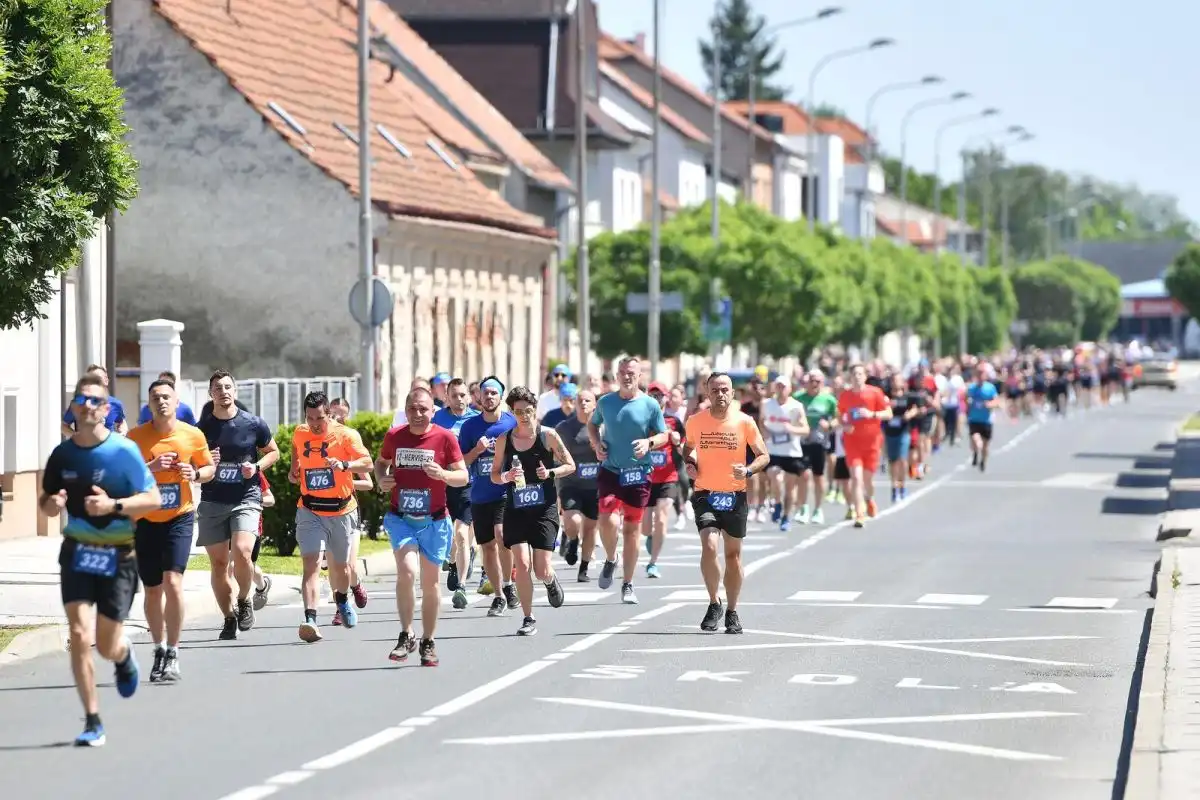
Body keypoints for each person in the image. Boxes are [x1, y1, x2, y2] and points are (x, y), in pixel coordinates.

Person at [41, 373, 162, 746]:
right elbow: (46, 503)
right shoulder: (62, 455)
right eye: (82, 400)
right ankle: (93, 720)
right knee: (79, 634)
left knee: (107, 644)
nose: (88, 406)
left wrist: (114, 506)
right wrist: (53, 504)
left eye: (95, 401)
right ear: (74, 408)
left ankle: (123, 656)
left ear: (106, 409)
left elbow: (154, 499)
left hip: (118, 557)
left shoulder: (123, 452)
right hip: (77, 552)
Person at [127, 379, 215, 683]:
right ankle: (159, 648)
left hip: (180, 516)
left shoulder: (192, 435)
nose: (161, 401)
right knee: (152, 589)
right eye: (156, 397)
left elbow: (209, 469)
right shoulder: (135, 437)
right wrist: (150, 467)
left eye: (166, 397)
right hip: (145, 520)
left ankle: (174, 651)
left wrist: (195, 473)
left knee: (173, 582)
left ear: (177, 402)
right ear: (149, 403)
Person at [376, 387, 469, 666]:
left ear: (433, 411)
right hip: (401, 518)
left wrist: (443, 474)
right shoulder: (395, 436)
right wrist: (381, 479)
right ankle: (406, 634)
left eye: (423, 409)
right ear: (405, 411)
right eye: (412, 409)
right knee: (407, 572)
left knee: (431, 583)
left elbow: (463, 476)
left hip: (435, 520)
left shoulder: (445, 437)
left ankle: (428, 640)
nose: (417, 414)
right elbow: (381, 463)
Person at [196, 371, 280, 639]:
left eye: (227, 387)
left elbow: (274, 452)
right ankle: (228, 617)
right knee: (219, 564)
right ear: (211, 394)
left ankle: (244, 600)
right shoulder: (200, 429)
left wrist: (256, 467)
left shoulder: (253, 424)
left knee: (243, 552)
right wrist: (206, 461)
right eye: (218, 388)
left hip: (246, 497)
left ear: (235, 391)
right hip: (213, 500)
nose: (223, 391)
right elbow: (191, 465)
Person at [683, 372, 768, 635]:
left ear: (732, 393)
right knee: (709, 545)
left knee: (733, 556)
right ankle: (714, 602)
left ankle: (732, 610)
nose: (720, 394)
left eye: (724, 390)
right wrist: (690, 463)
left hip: (734, 494)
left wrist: (748, 470)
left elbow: (763, 455)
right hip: (705, 492)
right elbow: (688, 447)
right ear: (707, 393)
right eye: (715, 390)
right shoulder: (696, 421)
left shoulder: (745, 422)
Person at [289, 391, 373, 642]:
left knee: (342, 568)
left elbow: (368, 463)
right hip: (310, 509)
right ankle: (310, 620)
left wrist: (346, 465)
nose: (315, 424)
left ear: (329, 414)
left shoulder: (346, 435)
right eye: (310, 418)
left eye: (320, 418)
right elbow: (296, 449)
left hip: (341, 511)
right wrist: (294, 469)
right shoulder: (300, 432)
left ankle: (342, 599)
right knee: (311, 564)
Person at [492, 386, 573, 635]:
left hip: (544, 509)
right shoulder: (504, 440)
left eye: (528, 411)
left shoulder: (548, 436)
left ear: (535, 409)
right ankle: (528, 618)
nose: (524, 416)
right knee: (522, 562)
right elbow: (494, 474)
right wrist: (505, 476)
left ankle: (549, 579)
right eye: (518, 412)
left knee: (540, 569)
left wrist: (550, 473)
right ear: (512, 413)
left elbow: (570, 465)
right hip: (516, 508)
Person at [587, 356, 669, 605]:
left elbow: (664, 435)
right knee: (607, 519)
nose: (627, 376)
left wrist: (649, 442)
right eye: (622, 372)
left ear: (639, 376)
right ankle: (611, 558)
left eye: (631, 372)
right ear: (616, 376)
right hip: (611, 470)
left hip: (638, 473)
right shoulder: (605, 402)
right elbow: (592, 425)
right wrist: (596, 443)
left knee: (632, 530)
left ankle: (628, 583)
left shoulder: (650, 405)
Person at [458, 377, 520, 613]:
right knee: (487, 547)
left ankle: (509, 584)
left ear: (501, 396)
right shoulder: (470, 427)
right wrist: (477, 450)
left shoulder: (512, 423)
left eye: (494, 393)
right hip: (480, 495)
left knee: (502, 536)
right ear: (479, 397)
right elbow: (461, 462)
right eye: (486, 393)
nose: (490, 396)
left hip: (505, 491)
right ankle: (499, 595)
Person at [432, 378, 480, 609]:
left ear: (469, 396)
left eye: (463, 395)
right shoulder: (437, 419)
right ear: (446, 398)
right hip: (442, 483)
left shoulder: (476, 420)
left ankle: (461, 586)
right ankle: (453, 563)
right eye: (454, 396)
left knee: (461, 533)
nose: (459, 399)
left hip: (467, 484)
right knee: (450, 534)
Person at [329, 397, 371, 616]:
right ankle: (340, 607)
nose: (337, 418)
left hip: (348, 509)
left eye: (342, 414)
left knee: (349, 564)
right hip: (324, 509)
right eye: (333, 413)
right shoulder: (319, 442)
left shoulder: (351, 441)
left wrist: (344, 479)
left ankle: (355, 584)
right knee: (333, 565)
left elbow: (368, 483)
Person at [837, 364, 892, 528]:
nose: (857, 377)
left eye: (860, 374)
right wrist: (844, 425)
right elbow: (839, 415)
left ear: (865, 376)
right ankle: (859, 514)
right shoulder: (845, 396)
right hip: (852, 442)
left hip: (872, 442)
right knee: (856, 478)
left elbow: (889, 414)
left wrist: (872, 414)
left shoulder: (875, 393)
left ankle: (869, 498)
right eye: (854, 374)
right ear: (850, 377)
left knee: (867, 480)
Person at [554, 388, 600, 580]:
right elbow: (556, 454)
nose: (583, 404)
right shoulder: (565, 428)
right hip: (571, 483)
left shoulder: (603, 428)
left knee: (590, 528)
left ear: (595, 405)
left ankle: (584, 568)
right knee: (573, 520)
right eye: (580, 400)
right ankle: (572, 540)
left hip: (595, 486)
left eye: (588, 400)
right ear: (574, 403)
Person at [643, 381, 684, 575]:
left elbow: (685, 449)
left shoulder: (674, 422)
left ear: (666, 398)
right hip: (646, 478)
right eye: (652, 395)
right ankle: (650, 536)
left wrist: (677, 442)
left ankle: (653, 562)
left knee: (661, 518)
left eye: (659, 395)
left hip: (668, 476)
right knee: (645, 528)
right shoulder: (641, 420)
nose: (656, 398)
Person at [761, 377, 808, 532]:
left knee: (790, 487)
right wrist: (765, 432)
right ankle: (777, 502)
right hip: (773, 450)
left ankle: (786, 517)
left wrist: (791, 429)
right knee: (775, 475)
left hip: (791, 452)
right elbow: (761, 422)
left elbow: (805, 429)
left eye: (784, 387)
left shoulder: (796, 406)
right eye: (778, 386)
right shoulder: (767, 404)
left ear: (790, 389)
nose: (781, 390)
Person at [792, 370, 837, 525]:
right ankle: (803, 507)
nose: (814, 384)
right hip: (802, 441)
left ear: (822, 383)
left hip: (820, 441)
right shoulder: (798, 397)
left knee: (818, 476)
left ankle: (818, 509)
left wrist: (829, 425)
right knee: (803, 474)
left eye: (818, 381)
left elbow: (838, 418)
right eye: (812, 380)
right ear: (807, 382)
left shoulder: (828, 399)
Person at [882, 374, 921, 503]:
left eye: (898, 380)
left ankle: (902, 485)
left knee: (902, 460)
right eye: (893, 380)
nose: (895, 382)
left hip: (903, 431)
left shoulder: (908, 396)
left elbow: (915, 408)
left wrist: (910, 414)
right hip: (890, 432)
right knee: (893, 461)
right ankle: (894, 488)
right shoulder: (886, 396)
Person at [62, 364, 127, 436]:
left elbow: (122, 422)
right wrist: (76, 436)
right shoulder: (79, 403)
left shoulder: (115, 404)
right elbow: (64, 425)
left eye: (98, 378)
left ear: (106, 380)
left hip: (108, 442)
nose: (94, 382)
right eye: (91, 380)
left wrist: (123, 432)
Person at [967, 364, 1001, 471]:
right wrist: (968, 402)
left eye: (982, 373)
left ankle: (983, 461)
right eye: (978, 373)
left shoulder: (990, 388)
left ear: (986, 375)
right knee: (975, 438)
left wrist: (990, 404)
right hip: (974, 418)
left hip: (986, 420)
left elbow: (997, 401)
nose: (980, 375)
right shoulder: (972, 388)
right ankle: (976, 452)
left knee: (985, 445)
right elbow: (966, 400)